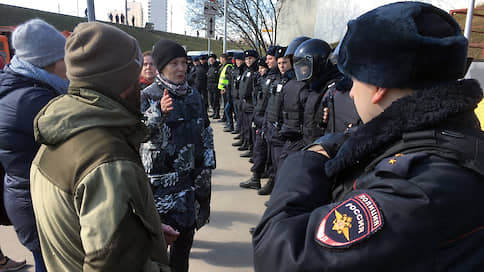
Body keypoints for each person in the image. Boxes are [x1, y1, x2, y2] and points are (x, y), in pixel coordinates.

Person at [253, 2, 484, 271]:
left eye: (354, 80)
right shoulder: (446, 141)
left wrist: (306, 160)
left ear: (379, 86)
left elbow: (278, 255)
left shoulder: (417, 187)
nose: (351, 92)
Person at [30, 22, 171, 272]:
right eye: (135, 75)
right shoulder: (109, 160)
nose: (140, 84)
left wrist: (142, 230)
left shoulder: (60, 129)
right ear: (122, 81)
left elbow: (81, 228)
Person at [0, 19, 69, 272]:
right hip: (37, 207)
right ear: (48, 61)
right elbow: (79, 134)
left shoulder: (28, 87)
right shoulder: (31, 100)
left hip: (29, 201)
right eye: (65, 57)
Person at [140, 39, 215, 272]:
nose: (181, 68)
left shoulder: (193, 96)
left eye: (184, 62)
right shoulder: (147, 96)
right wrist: (157, 113)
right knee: (157, 254)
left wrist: (205, 175)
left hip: (189, 187)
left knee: (183, 250)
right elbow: (136, 134)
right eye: (174, 63)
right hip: (159, 192)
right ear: (161, 66)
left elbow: (205, 134)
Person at [237, 49, 259, 156]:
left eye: (250, 58)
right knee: (245, 126)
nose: (248, 61)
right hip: (244, 103)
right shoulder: (246, 70)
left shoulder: (255, 72)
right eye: (246, 59)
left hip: (251, 104)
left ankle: (252, 149)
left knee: (251, 129)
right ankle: (246, 143)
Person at [218, 53, 233, 126]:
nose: (220, 60)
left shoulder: (228, 66)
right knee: (226, 106)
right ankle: (227, 122)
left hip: (227, 89)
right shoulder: (224, 66)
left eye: (221, 58)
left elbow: (229, 79)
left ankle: (229, 123)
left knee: (228, 107)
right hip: (224, 89)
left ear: (224, 59)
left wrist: (224, 87)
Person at [206, 53, 221, 119]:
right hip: (210, 86)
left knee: (216, 101)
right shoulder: (210, 67)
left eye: (212, 59)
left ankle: (217, 113)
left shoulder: (217, 67)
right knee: (211, 100)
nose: (211, 60)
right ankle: (214, 112)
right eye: (210, 59)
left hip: (215, 87)